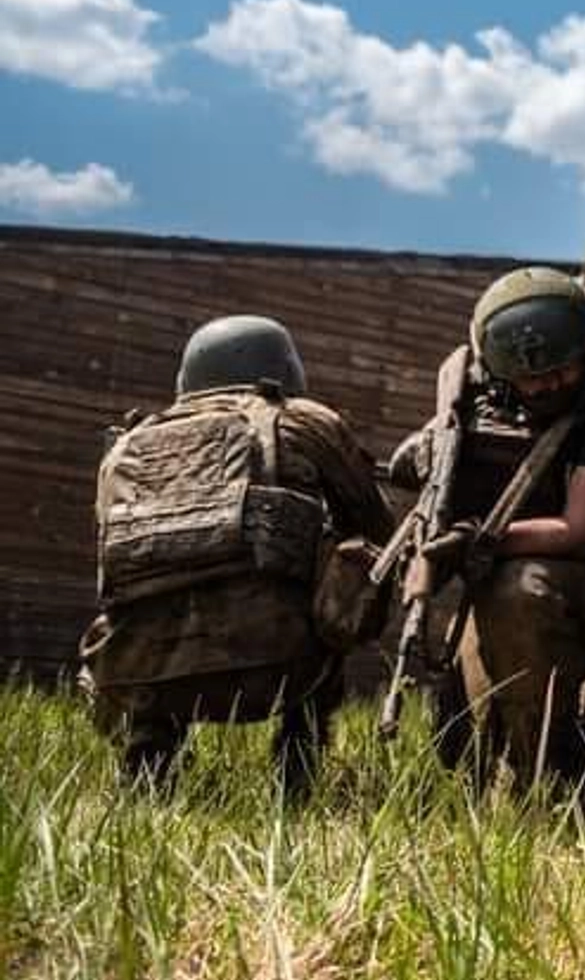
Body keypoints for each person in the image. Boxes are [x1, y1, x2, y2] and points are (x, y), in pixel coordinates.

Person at [80, 315, 394, 795]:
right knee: (347, 580)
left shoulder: (125, 446)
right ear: (285, 369)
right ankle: (296, 771)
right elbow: (378, 527)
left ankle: (149, 769)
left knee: (147, 614)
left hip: (137, 670)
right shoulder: (305, 420)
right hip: (279, 665)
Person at [383, 267, 585, 784]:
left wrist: (479, 540)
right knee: (461, 745)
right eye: (530, 376)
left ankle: (547, 785)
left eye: (561, 369)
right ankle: (579, 734)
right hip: (496, 580)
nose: (546, 385)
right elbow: (412, 466)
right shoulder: (480, 401)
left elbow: (581, 530)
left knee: (519, 592)